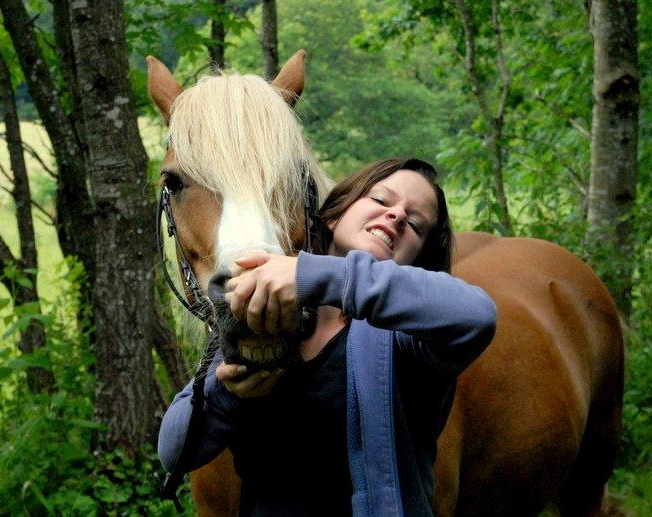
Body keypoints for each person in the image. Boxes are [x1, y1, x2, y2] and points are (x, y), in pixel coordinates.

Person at [158, 158, 498, 516]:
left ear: (415, 257)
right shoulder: (265, 312)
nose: (396, 215)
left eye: (415, 223)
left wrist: (309, 273)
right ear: (336, 213)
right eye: (382, 200)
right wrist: (227, 395)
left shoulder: (410, 339)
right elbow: (173, 451)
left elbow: (477, 315)